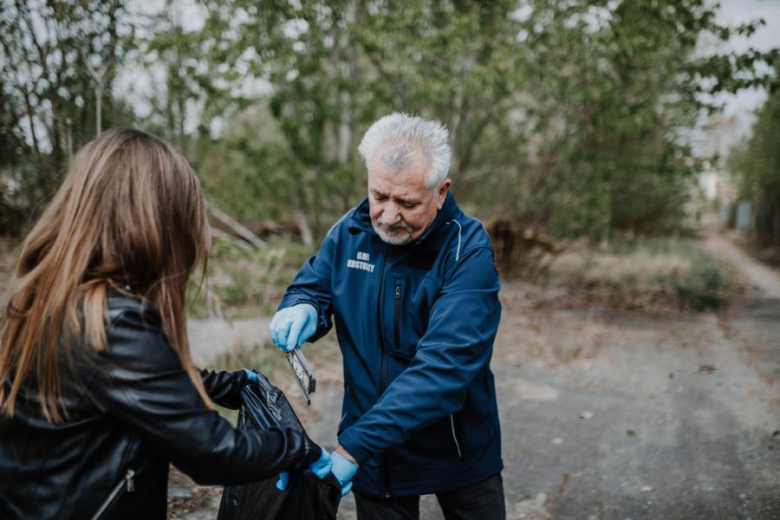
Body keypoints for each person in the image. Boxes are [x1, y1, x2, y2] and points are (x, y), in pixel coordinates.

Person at [0, 128, 333, 520]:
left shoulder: (58, 295)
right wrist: (298, 446)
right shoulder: (115, 323)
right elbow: (212, 452)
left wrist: (226, 384)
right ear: (157, 220)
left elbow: (126, 383)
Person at [270, 113, 505, 519]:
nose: (388, 216)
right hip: (375, 456)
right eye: (379, 195)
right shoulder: (351, 230)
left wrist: (353, 447)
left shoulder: (468, 251)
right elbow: (317, 282)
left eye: (407, 202)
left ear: (441, 192)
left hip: (455, 447)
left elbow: (443, 370)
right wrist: (302, 306)